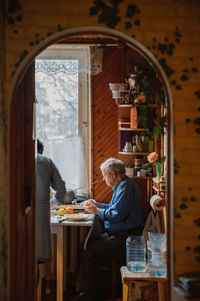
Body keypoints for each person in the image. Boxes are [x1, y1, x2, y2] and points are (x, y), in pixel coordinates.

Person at [75, 157, 145, 301]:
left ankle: (90, 295)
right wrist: (98, 205)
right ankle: (87, 289)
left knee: (89, 250)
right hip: (121, 234)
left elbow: (116, 215)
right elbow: (114, 209)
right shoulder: (122, 186)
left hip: (128, 239)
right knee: (85, 244)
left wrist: (96, 211)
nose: (103, 178)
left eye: (104, 175)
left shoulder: (126, 187)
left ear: (113, 174)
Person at [36, 138, 66, 264]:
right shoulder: (46, 161)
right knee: (37, 258)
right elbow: (61, 190)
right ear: (41, 150)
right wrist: (50, 205)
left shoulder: (12, 157)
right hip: (41, 213)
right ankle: (38, 283)